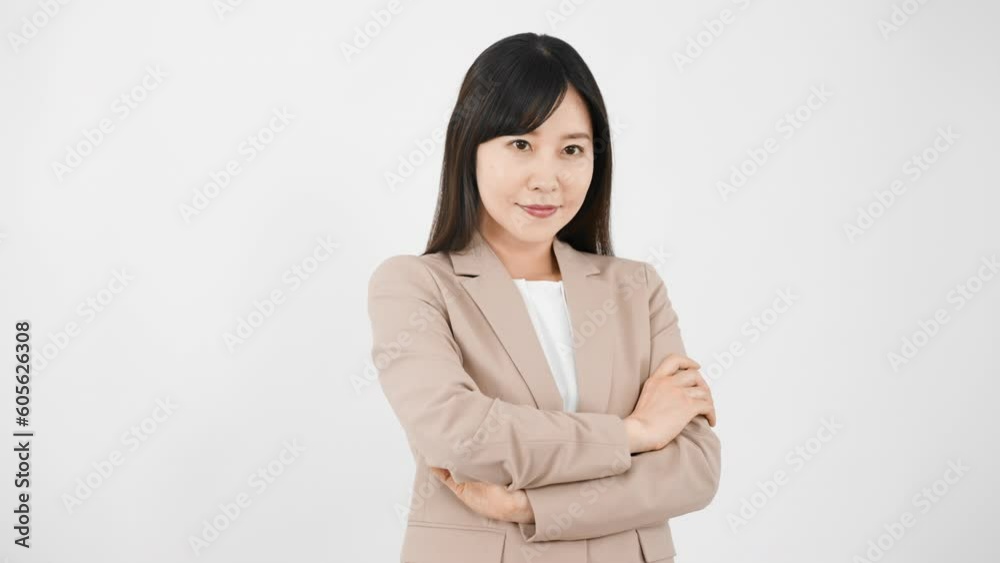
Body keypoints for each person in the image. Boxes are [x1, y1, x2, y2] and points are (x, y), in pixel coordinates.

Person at [367, 32, 721, 563]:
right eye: (521, 145)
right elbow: (459, 436)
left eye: (572, 150)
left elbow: (694, 470)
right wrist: (637, 431)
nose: (547, 179)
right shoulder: (414, 285)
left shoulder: (636, 288)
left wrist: (529, 505)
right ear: (469, 147)